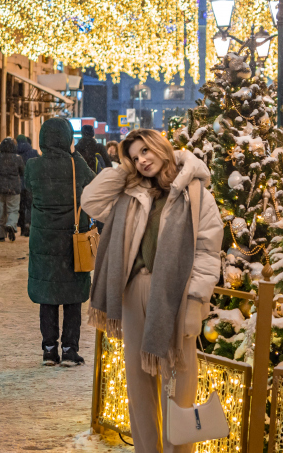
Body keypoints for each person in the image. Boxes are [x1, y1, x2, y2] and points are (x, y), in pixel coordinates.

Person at [81, 129, 223, 453]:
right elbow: (90, 200)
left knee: (179, 389)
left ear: (161, 146)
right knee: (139, 387)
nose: (142, 160)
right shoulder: (132, 192)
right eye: (134, 156)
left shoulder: (195, 192)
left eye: (145, 151)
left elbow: (206, 251)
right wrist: (123, 171)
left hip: (175, 297)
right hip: (134, 293)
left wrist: (195, 302)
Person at [25, 118, 95, 366]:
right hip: (71, 241)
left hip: (44, 241)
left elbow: (27, 190)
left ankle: (48, 350)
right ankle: (69, 348)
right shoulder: (76, 166)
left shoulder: (33, 166)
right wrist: (75, 156)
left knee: (48, 296)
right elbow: (93, 184)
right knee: (72, 296)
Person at [0, 137, 25, 242]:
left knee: (0, 211)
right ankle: (11, 224)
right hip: (13, 188)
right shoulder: (17, 158)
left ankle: (1, 234)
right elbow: (23, 172)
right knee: (13, 209)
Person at [15, 134, 40, 237]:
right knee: (29, 206)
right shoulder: (33, 152)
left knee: (20, 206)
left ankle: (21, 225)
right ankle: (28, 224)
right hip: (31, 183)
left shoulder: (14, 153)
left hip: (17, 184)